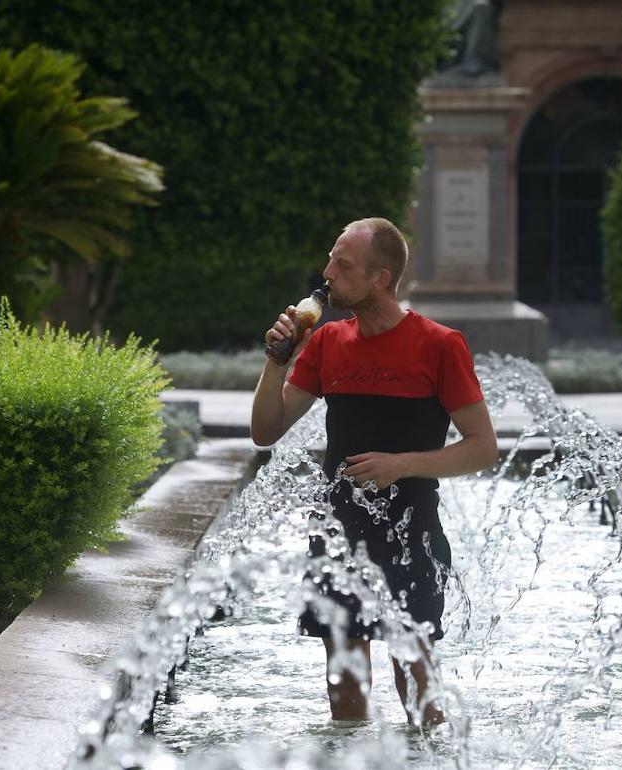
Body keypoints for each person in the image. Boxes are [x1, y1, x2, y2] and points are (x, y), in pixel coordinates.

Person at [250, 218, 498, 727]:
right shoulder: (326, 342)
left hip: (412, 532)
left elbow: (483, 449)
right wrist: (277, 361)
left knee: (418, 695)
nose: (327, 274)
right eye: (330, 260)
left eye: (343, 265)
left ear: (380, 278)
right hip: (338, 534)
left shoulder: (440, 344)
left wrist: (401, 465)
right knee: (343, 693)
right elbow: (265, 431)